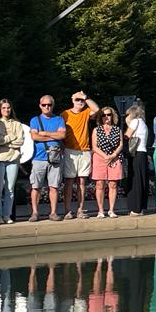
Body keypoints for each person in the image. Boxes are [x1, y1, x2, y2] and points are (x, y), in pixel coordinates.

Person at [60, 91, 100, 220]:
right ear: (72, 100)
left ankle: (80, 210)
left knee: (82, 181)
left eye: (81, 100)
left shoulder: (86, 112)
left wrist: (85, 97)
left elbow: (96, 109)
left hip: (84, 150)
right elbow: (59, 132)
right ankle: (67, 210)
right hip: (69, 150)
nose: (80, 102)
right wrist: (62, 147)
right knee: (69, 181)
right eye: (77, 99)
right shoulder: (65, 114)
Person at [29, 96, 66, 222]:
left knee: (54, 186)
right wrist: (54, 136)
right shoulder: (35, 120)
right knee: (36, 187)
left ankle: (53, 212)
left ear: (53, 105)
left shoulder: (59, 119)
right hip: (38, 157)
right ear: (40, 105)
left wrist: (44, 133)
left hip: (55, 158)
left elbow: (62, 135)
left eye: (49, 104)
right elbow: (35, 137)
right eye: (44, 105)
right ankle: (35, 213)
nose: (47, 107)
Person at [0, 98, 25, 225]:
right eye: (3, 108)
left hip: (13, 159)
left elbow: (20, 141)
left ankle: (7, 215)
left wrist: (4, 141)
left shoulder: (17, 124)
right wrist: (11, 137)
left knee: (10, 189)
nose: (6, 110)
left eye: (8, 107)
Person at [91, 107, 124, 218]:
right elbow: (94, 146)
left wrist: (113, 155)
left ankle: (111, 210)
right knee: (100, 184)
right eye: (103, 115)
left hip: (114, 157)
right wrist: (105, 156)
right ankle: (100, 210)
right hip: (100, 157)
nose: (106, 117)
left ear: (112, 116)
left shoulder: (117, 129)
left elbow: (121, 144)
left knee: (113, 184)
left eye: (108, 114)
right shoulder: (96, 130)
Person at [124, 103, 150, 216]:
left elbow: (127, 135)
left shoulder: (135, 122)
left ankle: (135, 208)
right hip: (143, 153)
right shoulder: (143, 123)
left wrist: (127, 122)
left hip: (136, 153)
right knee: (141, 180)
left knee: (135, 180)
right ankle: (141, 207)